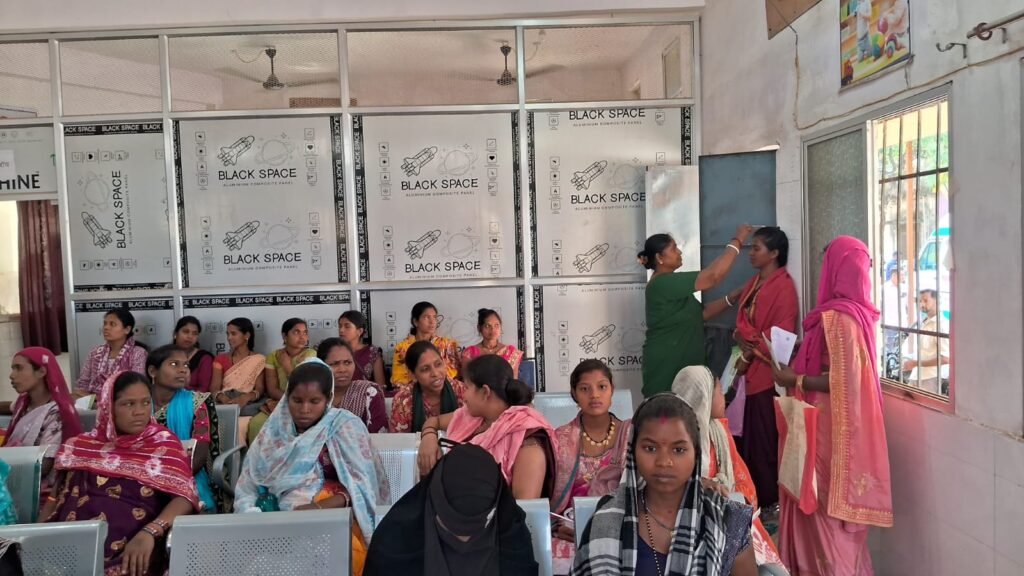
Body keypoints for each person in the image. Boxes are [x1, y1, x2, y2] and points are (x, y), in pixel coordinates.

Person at [771, 236, 893, 574]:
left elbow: (844, 381)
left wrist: (795, 380)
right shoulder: (858, 315)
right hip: (831, 424)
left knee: (822, 508)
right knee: (821, 510)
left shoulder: (840, 319)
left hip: (827, 430)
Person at [570, 393, 758, 576]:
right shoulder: (607, 519)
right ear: (633, 451)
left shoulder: (727, 521)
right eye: (650, 448)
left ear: (696, 454)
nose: (664, 462)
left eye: (679, 450)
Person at [233, 359, 389, 576]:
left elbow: (363, 489)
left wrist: (316, 509)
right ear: (287, 398)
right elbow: (249, 483)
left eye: (314, 401)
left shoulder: (344, 426)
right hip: (274, 523)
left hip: (334, 520)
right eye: (297, 401)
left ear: (328, 399)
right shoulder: (273, 432)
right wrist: (253, 514)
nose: (304, 410)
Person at [41, 371, 199, 576]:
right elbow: (55, 498)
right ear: (109, 408)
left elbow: (184, 497)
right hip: (72, 545)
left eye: (145, 402)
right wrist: (36, 535)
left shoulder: (163, 444)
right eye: (128, 404)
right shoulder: (80, 446)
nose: (139, 412)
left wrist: (150, 532)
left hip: (135, 546)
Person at [364, 443, 539, 576]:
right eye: (450, 526)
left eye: (479, 527)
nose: (464, 540)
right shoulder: (395, 546)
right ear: (434, 501)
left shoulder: (513, 543)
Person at [672, 366, 785, 569]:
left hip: (729, 517)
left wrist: (731, 500)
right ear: (704, 396)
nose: (723, 396)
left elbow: (743, 483)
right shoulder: (671, 440)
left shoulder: (719, 432)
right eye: (718, 391)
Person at [417, 355, 556, 500]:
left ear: (485, 392)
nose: (464, 396)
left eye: (467, 388)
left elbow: (525, 508)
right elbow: (434, 421)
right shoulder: (473, 417)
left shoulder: (527, 442)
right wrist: (428, 437)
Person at [729, 226, 798, 512]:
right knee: (747, 441)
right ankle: (753, 501)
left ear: (774, 253)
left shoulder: (784, 287)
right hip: (747, 368)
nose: (750, 253)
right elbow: (742, 323)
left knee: (763, 443)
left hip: (766, 374)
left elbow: (782, 333)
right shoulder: (755, 281)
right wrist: (742, 336)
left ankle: (769, 504)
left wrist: (747, 340)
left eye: (756, 248)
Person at [639, 225, 754, 397]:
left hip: (683, 368)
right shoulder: (662, 284)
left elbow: (701, 314)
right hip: (667, 367)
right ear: (659, 258)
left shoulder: (668, 284)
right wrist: (738, 240)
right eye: (674, 249)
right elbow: (713, 276)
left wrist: (733, 296)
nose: (679, 252)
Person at [551, 360, 632, 575]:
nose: (594, 395)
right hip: (572, 529)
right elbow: (551, 501)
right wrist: (559, 525)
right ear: (574, 394)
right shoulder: (560, 438)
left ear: (612, 389)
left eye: (602, 387)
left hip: (620, 525)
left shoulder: (632, 434)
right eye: (585, 389)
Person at [146, 345, 222, 513]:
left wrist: (168, 481)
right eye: (174, 364)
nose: (183, 370)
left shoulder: (197, 402)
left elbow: (199, 455)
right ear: (153, 371)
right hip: (142, 474)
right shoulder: (139, 403)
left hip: (186, 475)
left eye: (186, 365)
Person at [2, 347, 83, 503]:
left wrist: (3, 468)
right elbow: (9, 406)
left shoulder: (57, 413)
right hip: (12, 475)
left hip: (39, 489)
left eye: (19, 368)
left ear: (41, 371)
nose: (12, 375)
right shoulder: (23, 403)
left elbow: (43, 466)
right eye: (12, 368)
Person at [247, 318, 315, 443]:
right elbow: (272, 389)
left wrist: (287, 365)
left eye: (305, 332)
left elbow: (303, 386)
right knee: (257, 423)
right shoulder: (273, 356)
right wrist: (284, 402)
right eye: (296, 332)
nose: (302, 337)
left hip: (302, 404)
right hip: (279, 401)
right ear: (284, 336)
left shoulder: (310, 354)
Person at [389, 341, 466, 433]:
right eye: (425, 369)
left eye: (438, 364)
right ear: (413, 375)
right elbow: (400, 440)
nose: (435, 373)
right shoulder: (403, 401)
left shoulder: (461, 390)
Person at [317, 338, 387, 433]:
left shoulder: (368, 393)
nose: (342, 370)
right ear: (320, 365)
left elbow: (379, 437)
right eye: (335, 364)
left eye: (348, 362)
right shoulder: (310, 396)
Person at [74, 308, 147, 399]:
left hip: (123, 401)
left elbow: (137, 386)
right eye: (105, 324)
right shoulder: (95, 353)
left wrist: (102, 399)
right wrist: (86, 397)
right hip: (91, 401)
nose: (106, 327)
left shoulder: (138, 353)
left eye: (112, 324)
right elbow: (83, 383)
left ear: (127, 329)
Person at [390, 302, 460, 388]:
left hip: (443, 390)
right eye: (427, 317)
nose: (432, 321)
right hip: (413, 392)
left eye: (434, 317)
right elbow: (398, 380)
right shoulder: (402, 348)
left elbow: (454, 375)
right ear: (415, 321)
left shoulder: (447, 345)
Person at [209, 317, 266, 418]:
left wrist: (245, 398)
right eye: (227, 334)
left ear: (247, 335)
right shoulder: (220, 359)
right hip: (225, 400)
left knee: (257, 409)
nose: (229, 338)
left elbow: (260, 389)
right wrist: (224, 399)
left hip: (247, 402)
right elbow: (214, 388)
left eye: (233, 334)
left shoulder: (259, 359)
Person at [903, 288, 950, 394]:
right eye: (919, 301)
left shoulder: (942, 325)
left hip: (931, 378)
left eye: (925, 300)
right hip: (918, 375)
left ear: (937, 301)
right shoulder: (925, 322)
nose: (921, 304)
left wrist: (915, 363)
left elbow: (946, 359)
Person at [461, 308, 523, 378]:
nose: (493, 329)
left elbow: (514, 381)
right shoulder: (470, 353)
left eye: (496, 325)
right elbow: (467, 380)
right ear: (479, 328)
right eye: (487, 326)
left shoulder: (511, 352)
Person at [338, 311, 387, 389]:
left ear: (359, 331)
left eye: (347, 326)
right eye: (340, 326)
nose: (341, 330)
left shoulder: (372, 352)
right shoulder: (335, 351)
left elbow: (380, 386)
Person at [171, 316, 214, 393]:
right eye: (185, 332)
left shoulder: (204, 358)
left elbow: (203, 390)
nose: (190, 336)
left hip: (192, 399)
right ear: (175, 334)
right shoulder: (164, 355)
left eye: (194, 333)